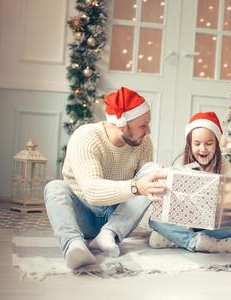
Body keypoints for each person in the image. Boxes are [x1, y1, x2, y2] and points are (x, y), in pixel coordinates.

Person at [44, 87, 167, 270]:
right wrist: (136, 188)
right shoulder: (86, 137)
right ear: (122, 125)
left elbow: (145, 189)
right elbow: (92, 192)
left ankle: (108, 235)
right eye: (143, 125)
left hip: (118, 218)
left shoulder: (143, 142)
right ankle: (74, 246)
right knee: (54, 187)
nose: (148, 130)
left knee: (153, 171)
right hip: (84, 213)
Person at [148, 112, 231, 252]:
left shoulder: (225, 165)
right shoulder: (180, 162)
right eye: (197, 144)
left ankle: (175, 239)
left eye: (209, 143)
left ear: (217, 144)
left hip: (211, 225)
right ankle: (195, 241)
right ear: (190, 144)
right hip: (183, 222)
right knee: (154, 220)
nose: (203, 149)